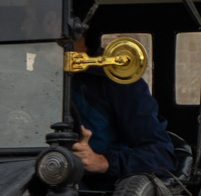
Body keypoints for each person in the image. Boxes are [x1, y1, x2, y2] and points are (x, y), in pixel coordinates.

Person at [67, 33, 184, 181]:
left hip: (97, 193)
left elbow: (161, 158)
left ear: (83, 42)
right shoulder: (33, 81)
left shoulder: (116, 83)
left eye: (66, 38)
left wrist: (102, 162)